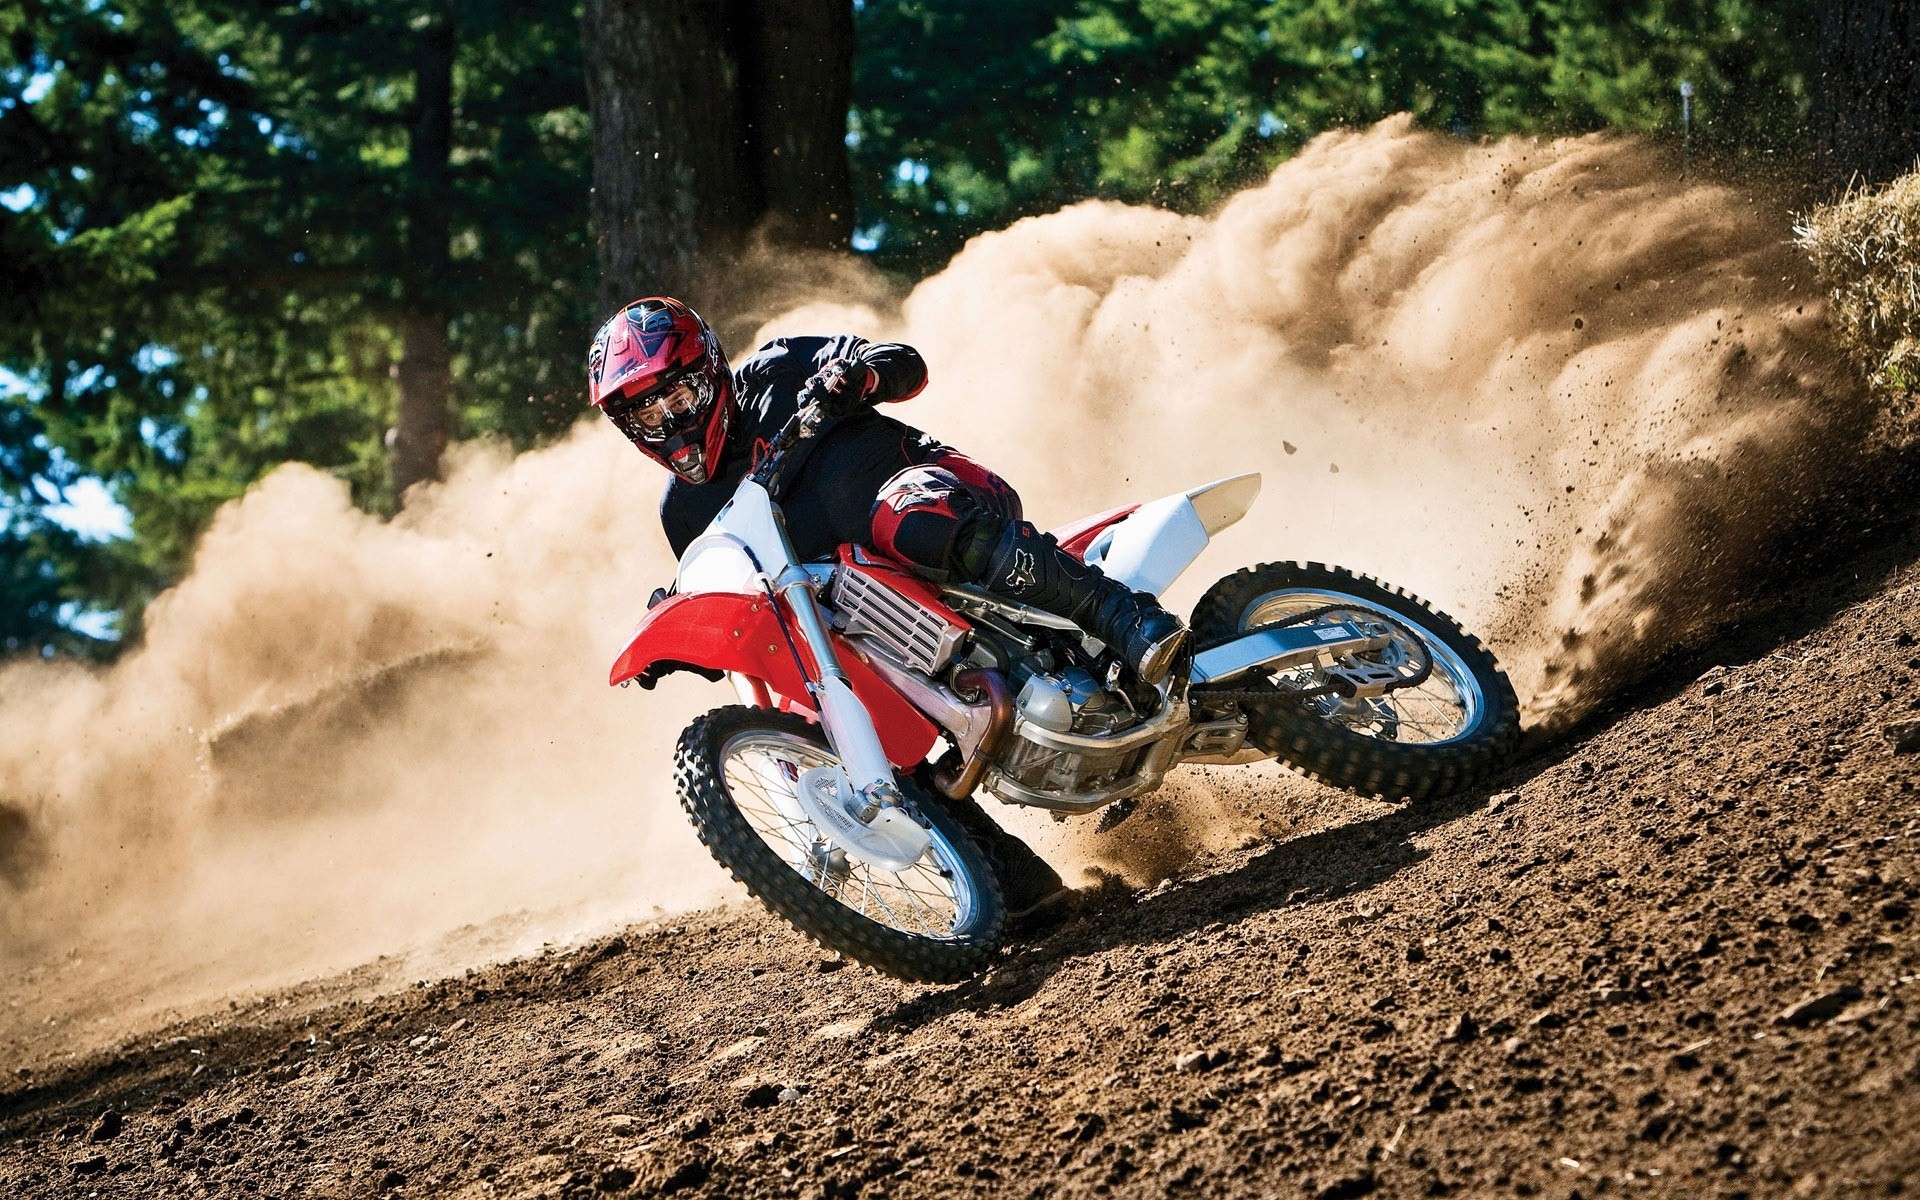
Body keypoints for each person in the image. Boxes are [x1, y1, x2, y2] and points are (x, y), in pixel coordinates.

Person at [587, 296, 1188, 683]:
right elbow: (737, 622)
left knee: (909, 515)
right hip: (868, 617)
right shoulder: (684, 512)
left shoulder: (778, 368)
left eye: (678, 396)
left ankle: (1125, 617)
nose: (670, 422)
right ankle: (976, 843)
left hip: (944, 495)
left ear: (710, 368)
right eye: (648, 415)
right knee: (813, 672)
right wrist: (677, 631)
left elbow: (907, 362)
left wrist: (860, 376)